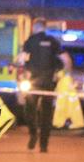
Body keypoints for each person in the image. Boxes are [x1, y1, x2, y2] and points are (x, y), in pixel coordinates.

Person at [17, 18, 71, 152]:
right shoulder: (53, 41)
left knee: (30, 110)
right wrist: (64, 75)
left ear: (35, 27)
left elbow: (22, 59)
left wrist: (21, 72)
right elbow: (66, 59)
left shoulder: (30, 41)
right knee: (47, 113)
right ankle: (44, 144)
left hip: (32, 82)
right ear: (45, 27)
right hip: (49, 83)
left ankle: (33, 133)